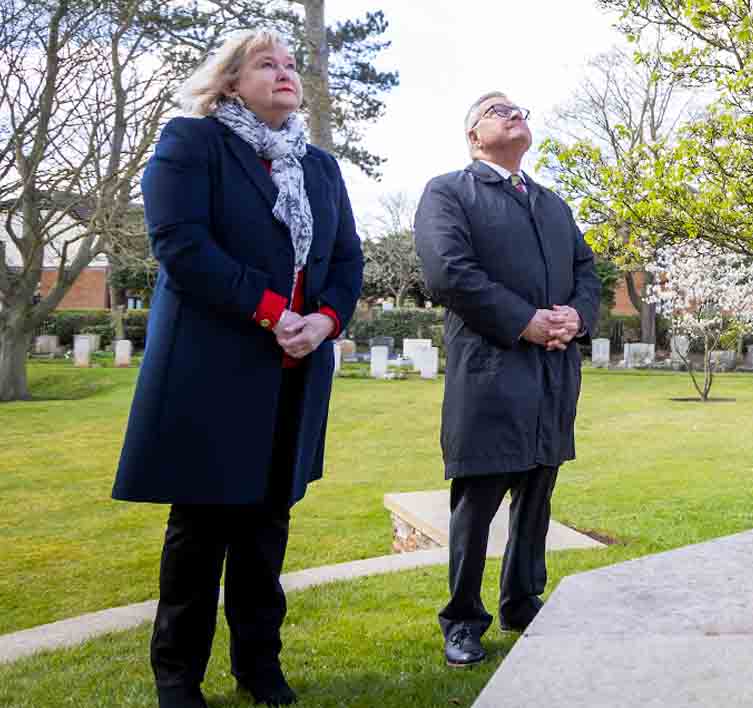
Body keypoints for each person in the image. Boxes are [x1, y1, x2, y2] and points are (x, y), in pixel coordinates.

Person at [112, 29, 364, 708]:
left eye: (290, 65)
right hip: (212, 367)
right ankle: (177, 679)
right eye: (266, 64)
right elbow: (180, 245)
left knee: (266, 528)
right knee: (200, 532)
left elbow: (346, 260)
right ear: (229, 81)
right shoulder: (192, 143)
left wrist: (326, 320)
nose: (285, 72)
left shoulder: (320, 166)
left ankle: (259, 667)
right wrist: (270, 308)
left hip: (294, 367)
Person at [414, 91, 601, 667]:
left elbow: (585, 270)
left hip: (552, 374)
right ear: (474, 136)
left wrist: (578, 315)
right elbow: (448, 273)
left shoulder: (550, 203)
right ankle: (463, 618)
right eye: (500, 110)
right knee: (479, 499)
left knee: (537, 494)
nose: (516, 113)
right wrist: (524, 322)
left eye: (521, 109)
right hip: (492, 371)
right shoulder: (449, 193)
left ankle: (522, 599)